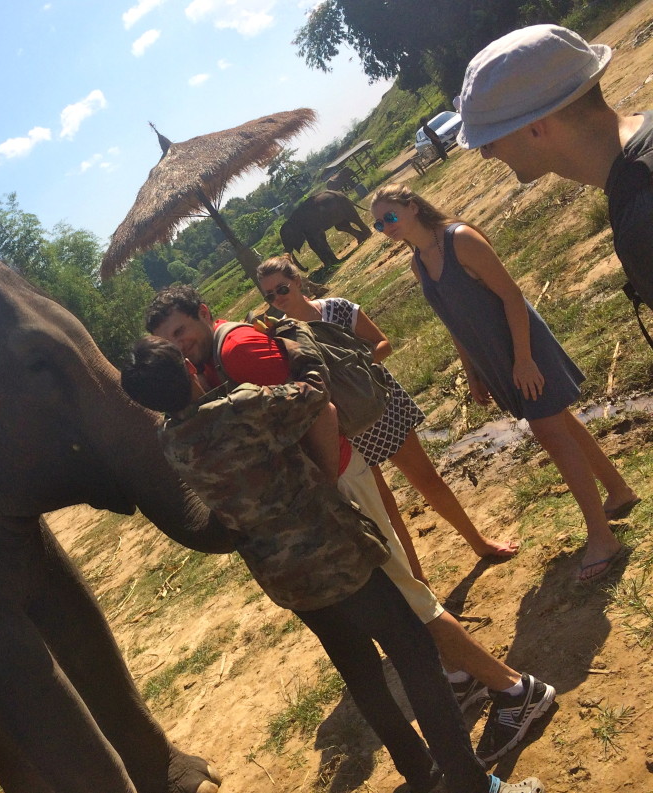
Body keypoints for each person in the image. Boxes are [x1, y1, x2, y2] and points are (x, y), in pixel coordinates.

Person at [146, 285, 555, 763]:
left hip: (336, 484)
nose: (179, 346)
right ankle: (460, 673)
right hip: (329, 490)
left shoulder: (237, 351)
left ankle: (516, 691)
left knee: (404, 597)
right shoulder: (212, 359)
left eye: (180, 332)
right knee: (399, 592)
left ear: (203, 312)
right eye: (167, 341)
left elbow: (322, 409)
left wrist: (321, 485)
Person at [370, 183, 639, 585]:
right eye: (378, 224)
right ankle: (619, 492)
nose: (385, 227)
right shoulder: (418, 262)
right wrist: (471, 370)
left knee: (549, 431)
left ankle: (602, 537)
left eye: (390, 217)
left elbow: (513, 296)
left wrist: (525, 359)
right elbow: (453, 320)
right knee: (558, 421)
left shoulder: (460, 239)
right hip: (493, 357)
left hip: (523, 346)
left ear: (412, 207)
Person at [256, 254, 518, 582]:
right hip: (345, 427)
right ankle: (420, 582)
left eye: (281, 288)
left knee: (427, 480)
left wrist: (350, 369)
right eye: (269, 296)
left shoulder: (337, 309)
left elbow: (383, 344)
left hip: (381, 406)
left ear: (296, 281)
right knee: (385, 508)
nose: (278, 298)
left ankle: (478, 542)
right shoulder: (281, 339)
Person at [455, 24, 653, 313]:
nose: (486, 155)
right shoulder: (644, 131)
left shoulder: (643, 223)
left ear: (535, 130)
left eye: (488, 142)